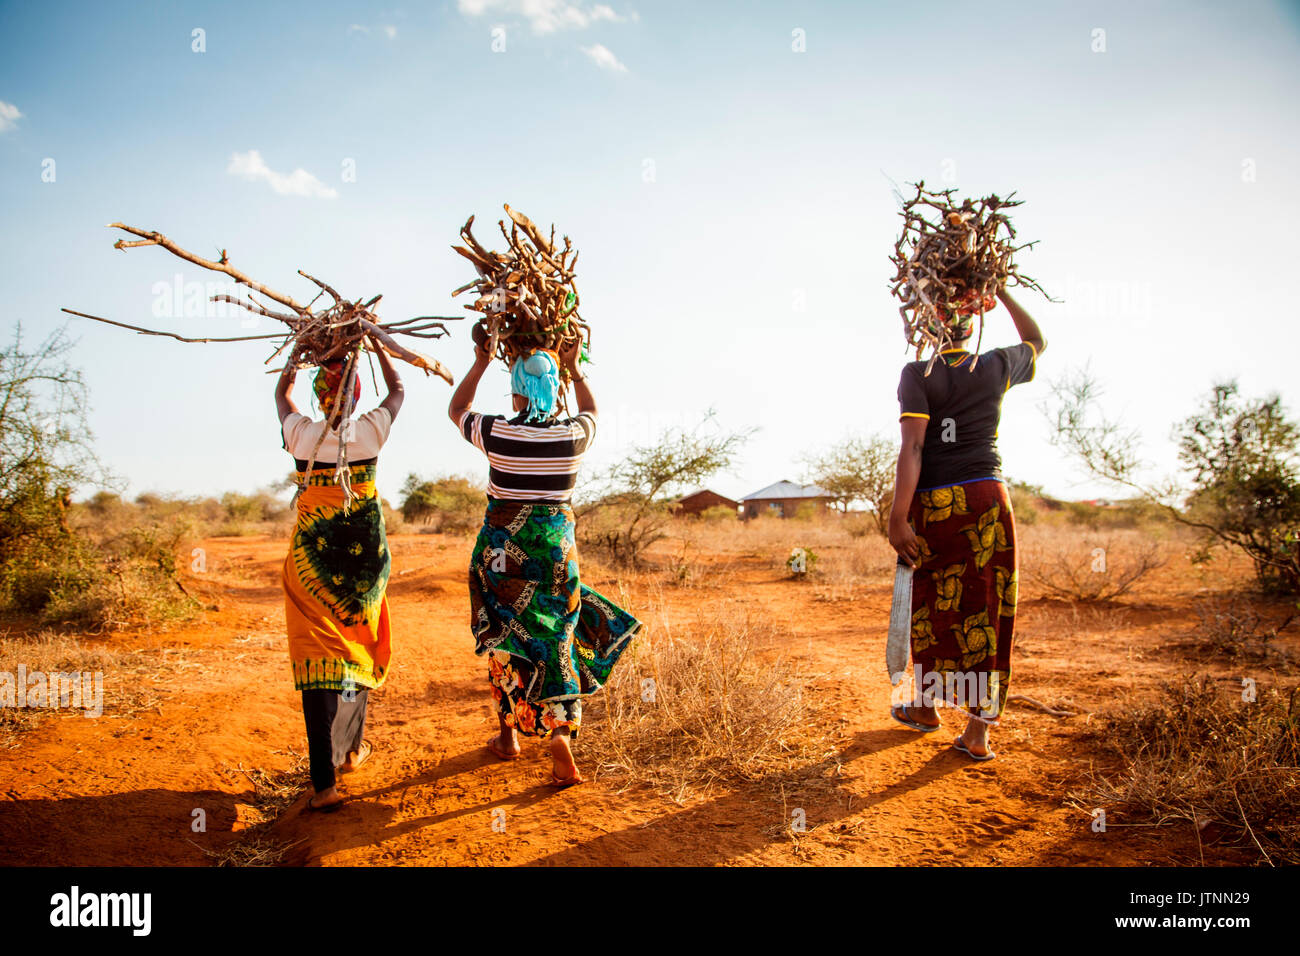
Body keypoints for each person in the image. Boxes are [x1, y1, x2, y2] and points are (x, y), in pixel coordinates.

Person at [447, 328, 640, 788]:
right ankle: (560, 737)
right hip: (556, 554)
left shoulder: (496, 432)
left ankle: (508, 737)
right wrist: (574, 370)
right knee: (557, 635)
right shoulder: (574, 436)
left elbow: (456, 411)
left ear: (515, 390)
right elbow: (591, 411)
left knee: (505, 633)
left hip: (501, 558)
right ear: (556, 390)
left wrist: (478, 361)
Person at [886, 288, 1046, 762]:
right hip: (989, 500)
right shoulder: (994, 365)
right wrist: (1001, 290)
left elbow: (913, 449)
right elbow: (1037, 339)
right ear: (970, 328)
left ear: (924, 330)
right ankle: (977, 734)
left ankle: (925, 706)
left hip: (938, 504)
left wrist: (898, 517)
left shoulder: (919, 373)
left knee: (935, 606)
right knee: (988, 606)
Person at [275, 336, 403, 811]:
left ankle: (324, 783)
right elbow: (398, 390)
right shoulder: (371, 430)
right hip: (364, 564)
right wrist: (379, 346)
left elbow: (280, 397)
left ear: (321, 394)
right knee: (354, 649)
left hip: (312, 566)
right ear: (354, 394)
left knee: (317, 663)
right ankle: (348, 750)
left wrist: (294, 356)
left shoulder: (302, 435)